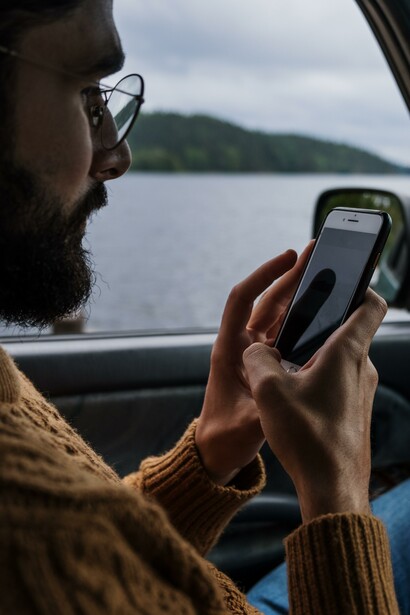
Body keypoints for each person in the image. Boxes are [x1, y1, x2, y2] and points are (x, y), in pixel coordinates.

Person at [0, 0, 406, 613]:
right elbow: (71, 546)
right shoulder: (28, 532)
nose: (116, 154)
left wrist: (213, 451)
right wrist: (337, 493)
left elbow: (108, 557)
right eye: (86, 91)